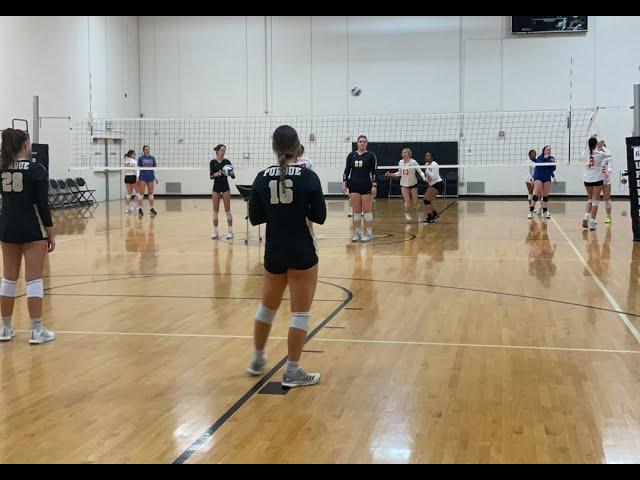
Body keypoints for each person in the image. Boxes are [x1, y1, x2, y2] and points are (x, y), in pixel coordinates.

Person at [247, 125, 327, 388]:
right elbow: (320, 217)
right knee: (299, 314)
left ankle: (257, 359)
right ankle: (292, 371)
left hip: (274, 252)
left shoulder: (260, 178)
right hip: (302, 251)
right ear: (297, 147)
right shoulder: (308, 177)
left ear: (274, 147)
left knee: (267, 309)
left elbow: (256, 218)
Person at [0, 128, 55, 344]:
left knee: (8, 279)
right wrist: (50, 234)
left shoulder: (2, 168)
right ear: (25, 145)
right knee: (33, 280)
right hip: (32, 230)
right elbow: (43, 206)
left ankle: (4, 328)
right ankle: (36, 331)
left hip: (7, 229)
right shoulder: (36, 170)